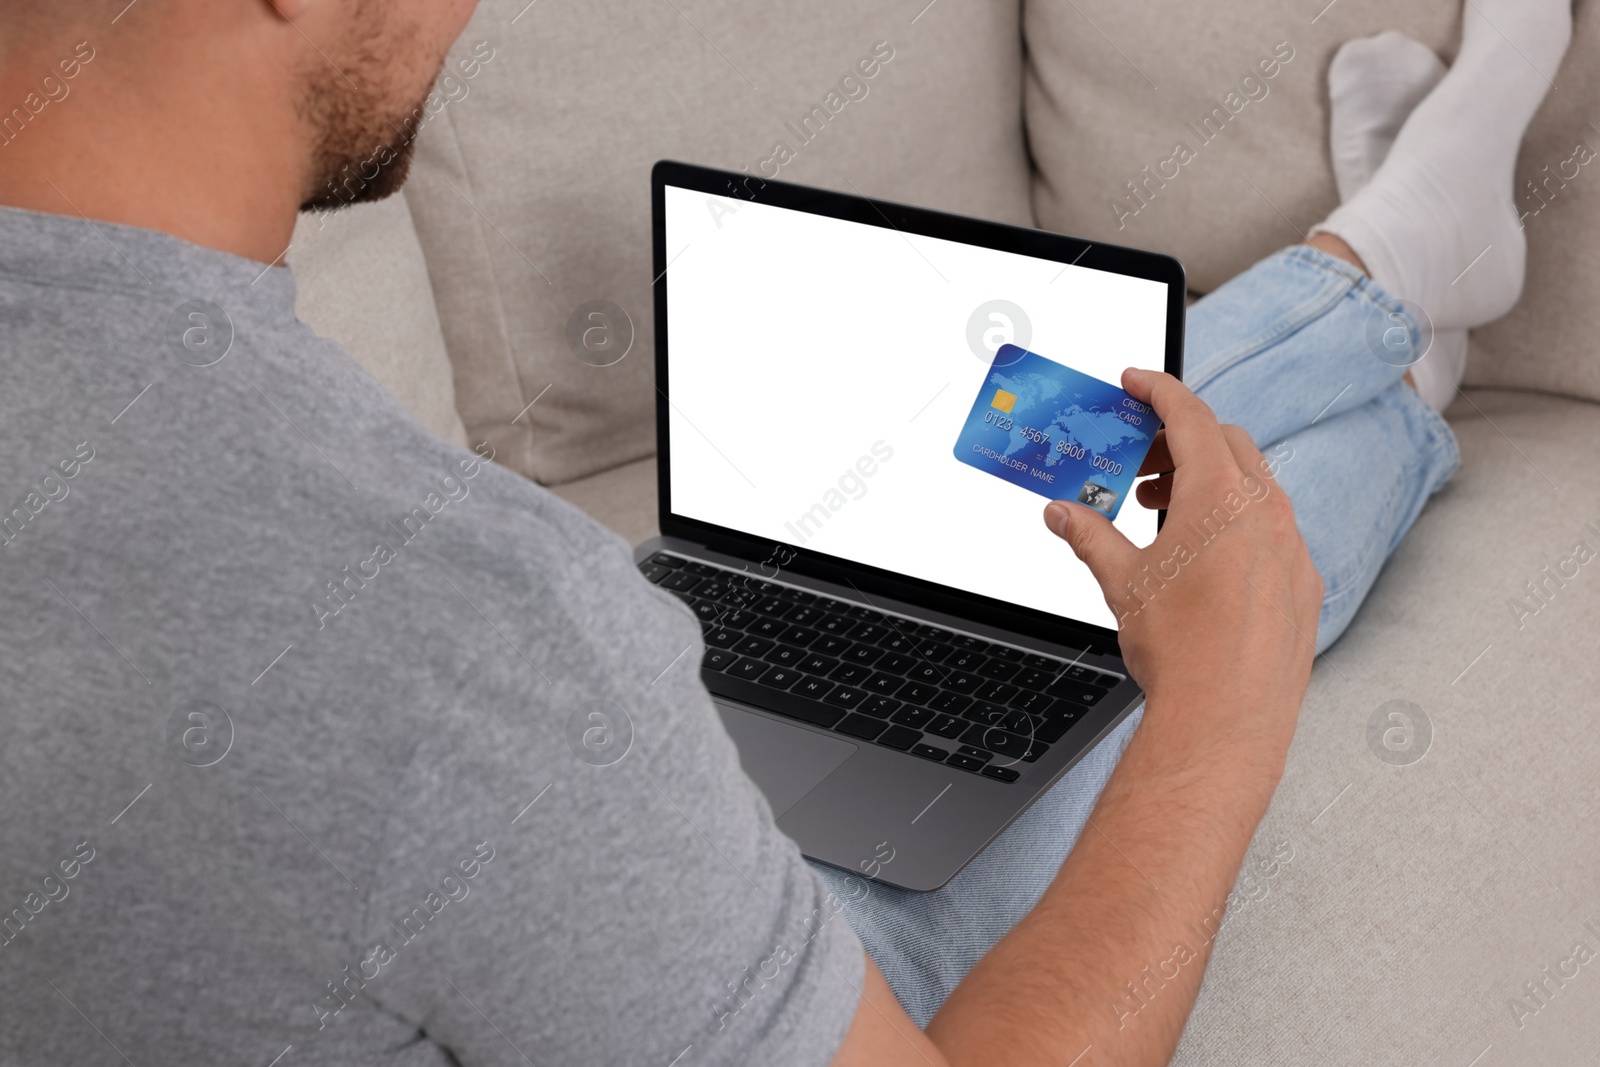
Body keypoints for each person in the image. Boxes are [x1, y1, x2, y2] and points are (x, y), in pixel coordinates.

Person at [0, 3, 1566, 1066]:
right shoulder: (465, 634)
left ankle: (1391, 281)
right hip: (734, 969)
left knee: (1022, 506)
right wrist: (1223, 722)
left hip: (555, 922)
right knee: (1168, 605)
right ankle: (1395, 298)